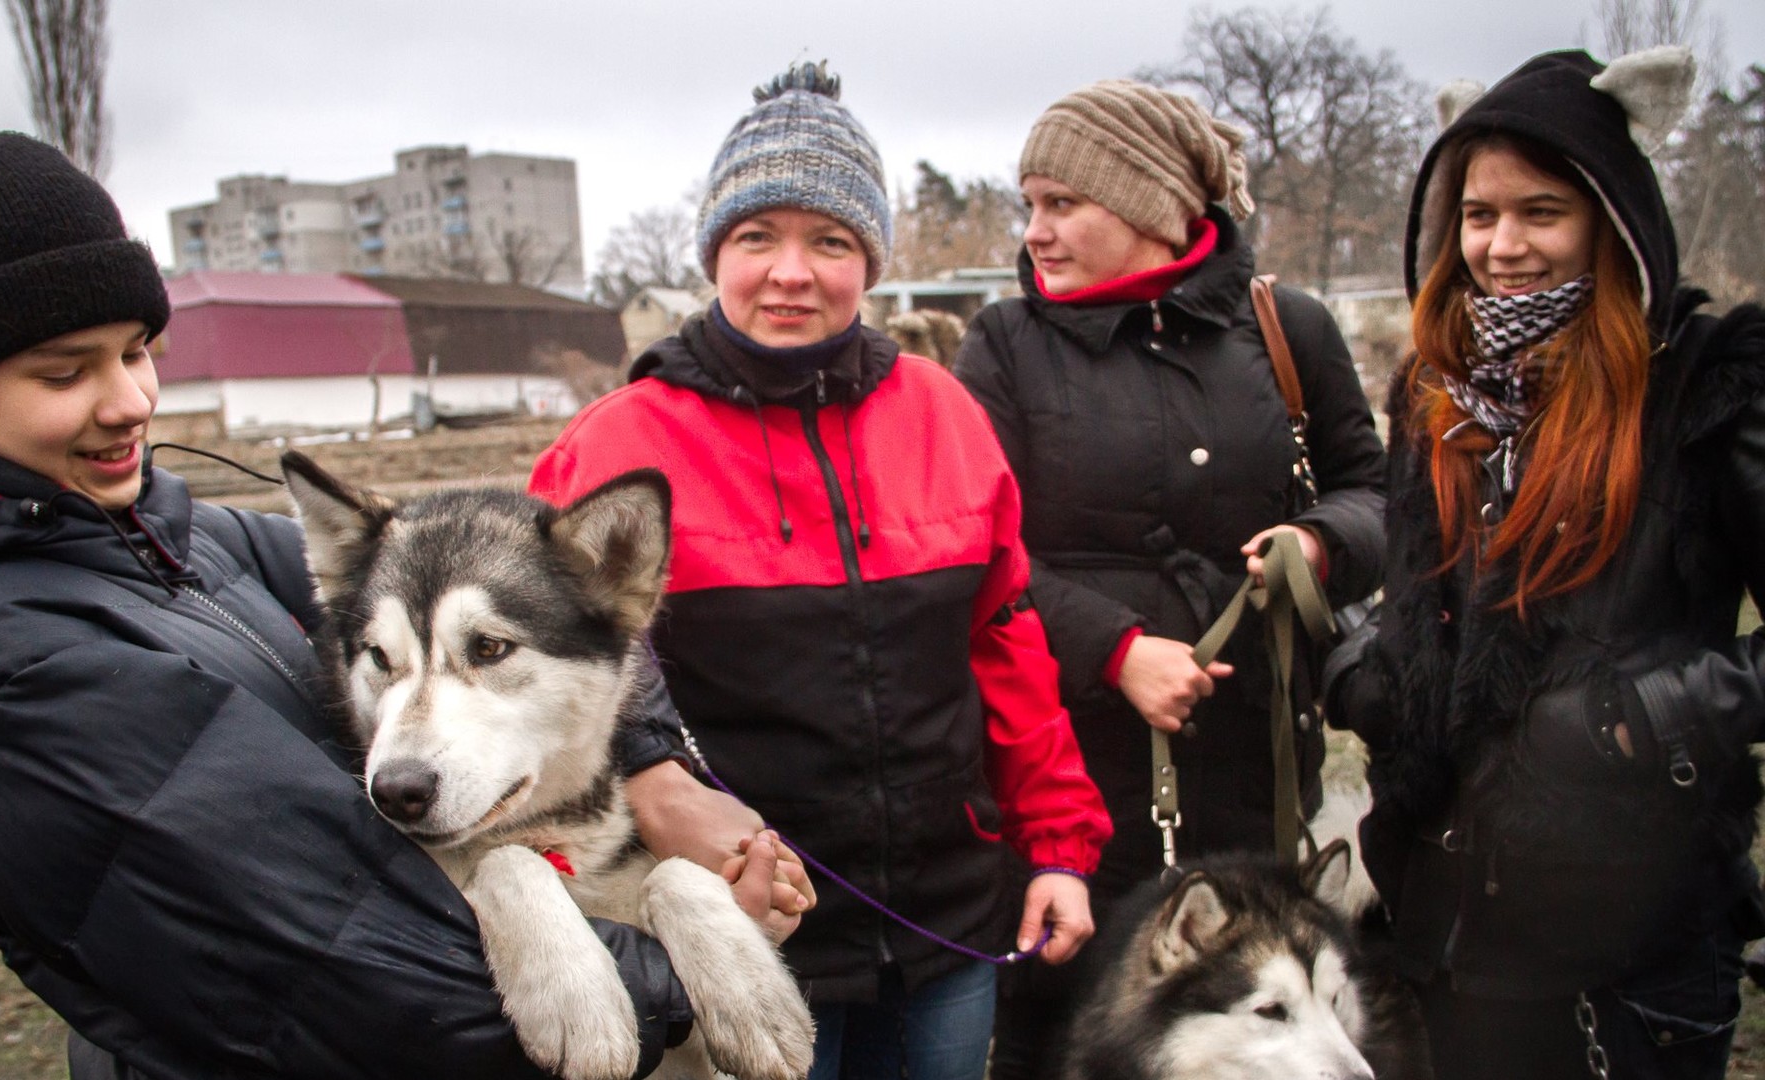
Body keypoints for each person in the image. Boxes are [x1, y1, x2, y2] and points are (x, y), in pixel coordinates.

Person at [0, 128, 798, 1080]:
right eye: (64, 373)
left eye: (138, 352)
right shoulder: (15, 663)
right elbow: (355, 976)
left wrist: (660, 776)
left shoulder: (187, 541)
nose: (130, 401)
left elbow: (558, 604)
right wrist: (690, 964)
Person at [526, 62, 1113, 1080]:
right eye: (759, 238)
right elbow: (550, 681)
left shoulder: (943, 414)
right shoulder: (615, 448)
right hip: (744, 932)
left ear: (870, 262)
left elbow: (1008, 643)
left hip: (946, 923)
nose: (791, 272)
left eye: (830, 241)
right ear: (716, 252)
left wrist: (1058, 845)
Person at [1323, 47, 1765, 1080]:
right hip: (1441, 926)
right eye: (1480, 216)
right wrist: (1369, 666)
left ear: (1612, 221)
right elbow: (1426, 590)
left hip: (1631, 941)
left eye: (1542, 212)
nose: (1504, 246)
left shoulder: (1704, 387)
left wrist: (1651, 718)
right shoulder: (1433, 392)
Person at [949, 79, 1388, 1077]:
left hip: (1256, 776)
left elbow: (1377, 494)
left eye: (1063, 204)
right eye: (1031, 204)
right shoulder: (1006, 345)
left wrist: (1321, 544)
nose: (1036, 233)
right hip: (1069, 781)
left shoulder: (1288, 330)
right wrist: (1113, 647)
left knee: (1253, 1036)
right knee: (1060, 1034)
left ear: (1150, 206)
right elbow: (980, 544)